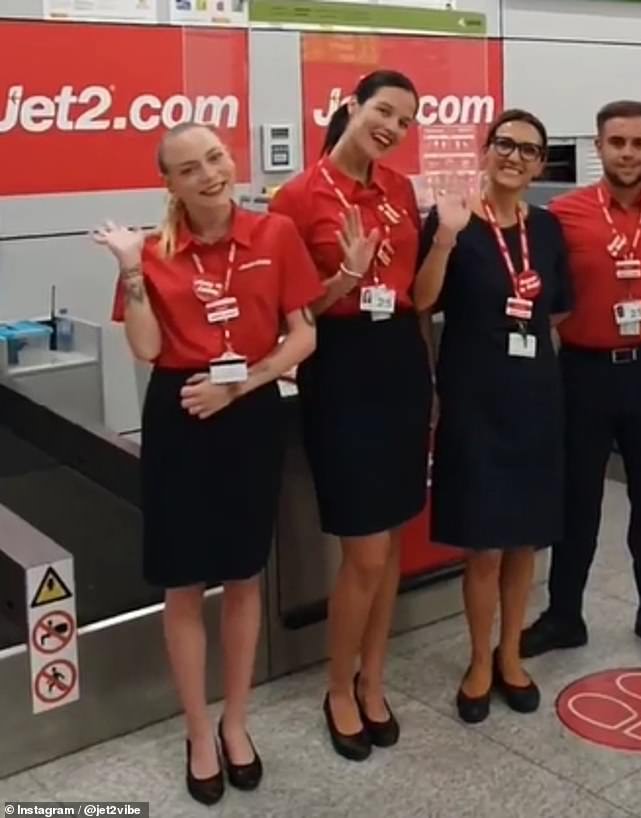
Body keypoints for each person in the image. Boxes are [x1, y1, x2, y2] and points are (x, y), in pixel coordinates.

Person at [93, 122, 321, 805]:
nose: (209, 174)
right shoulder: (156, 250)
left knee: (245, 575)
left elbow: (304, 334)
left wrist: (242, 384)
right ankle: (198, 732)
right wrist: (130, 267)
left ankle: (237, 721)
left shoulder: (274, 235)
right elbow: (143, 348)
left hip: (248, 408)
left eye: (215, 158)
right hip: (183, 411)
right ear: (171, 183)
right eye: (189, 168)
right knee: (185, 583)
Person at [268, 70, 432, 761]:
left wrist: (432, 381)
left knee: (391, 541)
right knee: (363, 549)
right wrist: (346, 277)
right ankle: (339, 689)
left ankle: (373, 679)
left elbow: (413, 298)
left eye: (405, 120)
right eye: (383, 111)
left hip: (399, 360)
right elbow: (297, 311)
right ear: (351, 107)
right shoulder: (297, 198)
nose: (391, 128)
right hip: (338, 367)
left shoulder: (399, 191)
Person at [520, 100, 641, 665]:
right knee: (577, 502)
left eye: (639, 144)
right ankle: (564, 614)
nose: (627, 153)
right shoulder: (562, 215)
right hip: (583, 374)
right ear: (598, 147)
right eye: (616, 142)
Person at [414, 109, 572, 723]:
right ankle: (479, 659)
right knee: (482, 546)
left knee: (524, 540)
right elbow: (423, 301)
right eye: (504, 144)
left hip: (534, 399)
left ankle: (512, 654)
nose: (515, 156)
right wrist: (447, 236)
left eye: (529, 150)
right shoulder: (452, 219)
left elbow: (552, 312)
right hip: (474, 401)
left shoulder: (550, 230)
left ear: (540, 164)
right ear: (485, 150)